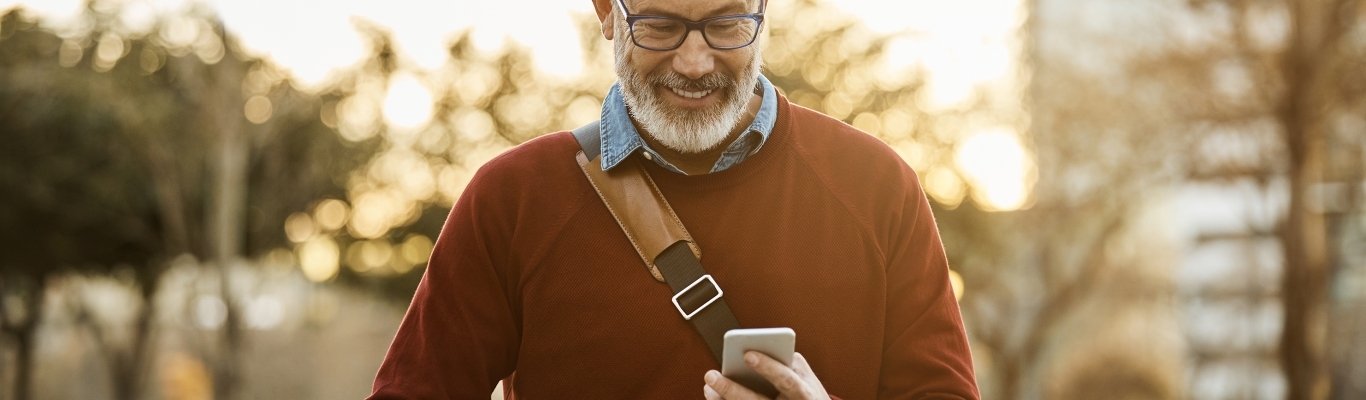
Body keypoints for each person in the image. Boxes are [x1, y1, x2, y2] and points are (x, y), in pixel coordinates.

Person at [367, 0, 979, 398]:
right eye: (659, 25)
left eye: (726, 23)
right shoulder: (512, 199)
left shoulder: (879, 189)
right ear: (607, 12)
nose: (694, 61)